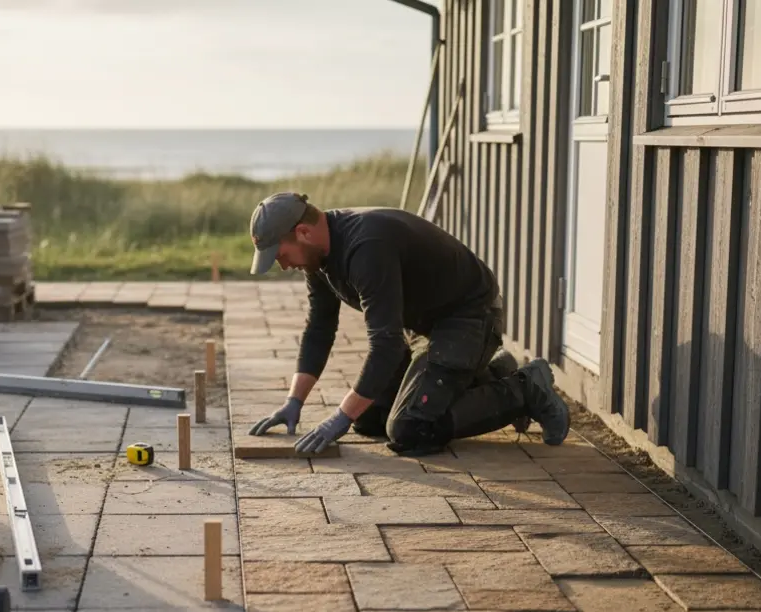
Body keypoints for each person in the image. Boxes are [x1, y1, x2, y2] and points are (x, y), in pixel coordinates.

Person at [244, 191, 569, 456]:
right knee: (368, 420)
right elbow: (319, 328)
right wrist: (294, 401)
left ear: (303, 232)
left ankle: (524, 388)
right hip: (427, 327)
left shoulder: (366, 248)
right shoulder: (318, 258)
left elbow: (385, 346)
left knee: (410, 429)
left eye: (280, 255)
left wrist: (338, 417)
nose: (283, 265)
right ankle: (490, 372)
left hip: (469, 319)